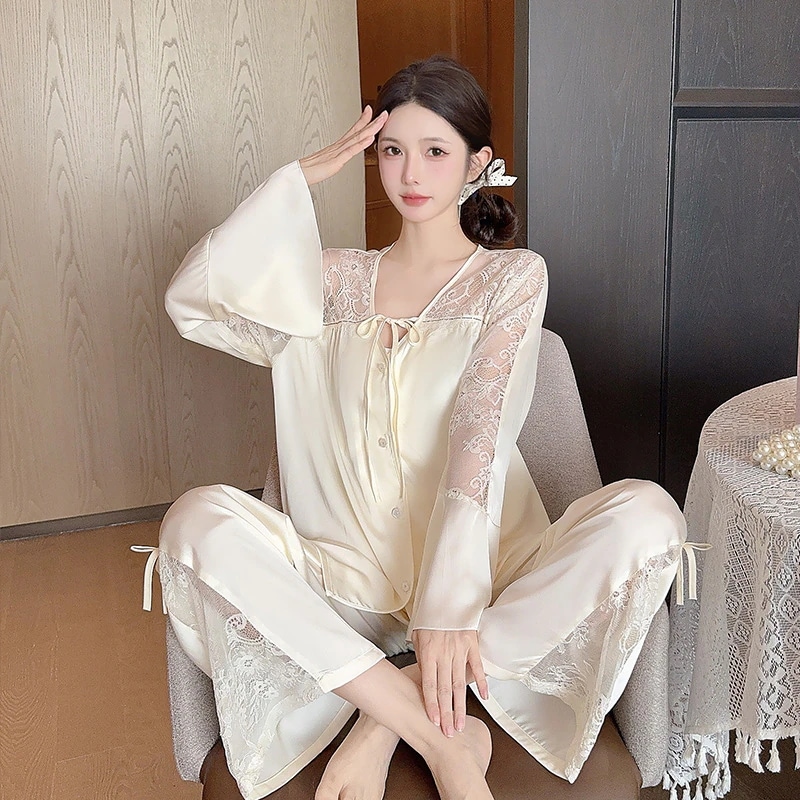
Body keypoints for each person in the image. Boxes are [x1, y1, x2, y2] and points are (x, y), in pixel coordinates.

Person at [135, 56, 687, 800]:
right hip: (340, 587)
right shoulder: (325, 282)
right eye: (393, 150)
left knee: (650, 514)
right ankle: (435, 729)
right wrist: (295, 181)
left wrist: (448, 604)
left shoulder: (510, 279)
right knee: (193, 520)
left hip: (484, 591)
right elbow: (192, 300)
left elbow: (479, 435)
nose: (411, 173)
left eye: (435, 151)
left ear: (477, 163)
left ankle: (381, 717)